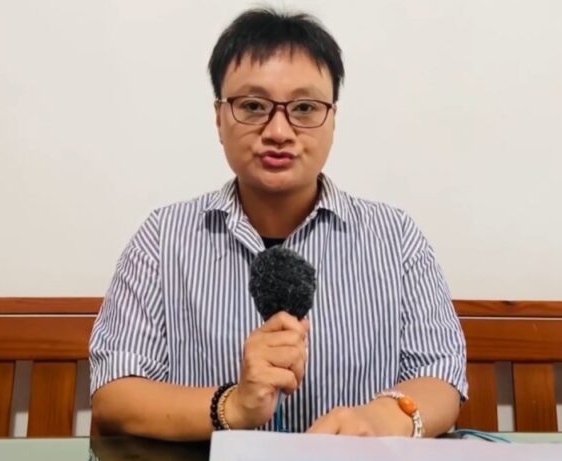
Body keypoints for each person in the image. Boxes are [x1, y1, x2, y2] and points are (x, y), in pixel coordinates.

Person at [89, 7, 467, 441]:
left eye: (305, 108)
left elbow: (441, 373)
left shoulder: (395, 237)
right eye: (253, 106)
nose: (279, 132)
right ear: (219, 118)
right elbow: (115, 389)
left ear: (333, 119)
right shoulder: (163, 238)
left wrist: (379, 422)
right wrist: (233, 406)